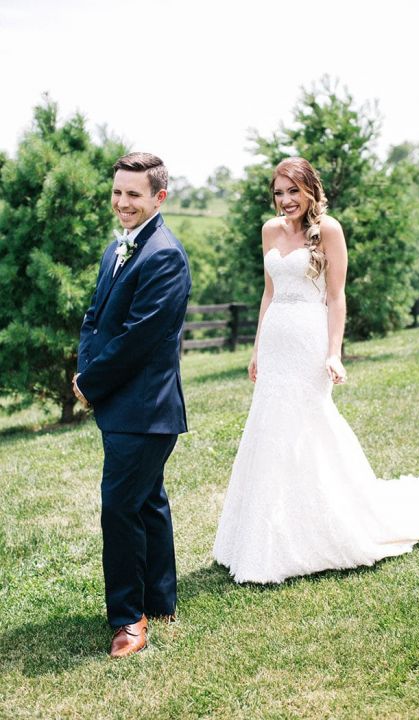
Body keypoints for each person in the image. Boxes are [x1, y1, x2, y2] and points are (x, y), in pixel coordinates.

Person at [213, 156, 419, 584]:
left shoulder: (329, 230)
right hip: (277, 340)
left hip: (309, 340)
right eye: (278, 193)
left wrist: (334, 353)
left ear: (309, 189)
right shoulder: (269, 230)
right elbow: (269, 293)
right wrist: (257, 348)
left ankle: (331, 522)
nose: (285, 201)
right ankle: (263, 533)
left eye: (292, 191)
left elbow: (336, 298)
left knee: (310, 423)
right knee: (269, 428)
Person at [73, 152, 191, 657]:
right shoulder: (116, 248)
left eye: (134, 194)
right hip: (123, 404)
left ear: (159, 197)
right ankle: (160, 599)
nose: (122, 202)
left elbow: (137, 340)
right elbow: (96, 318)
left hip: (146, 409)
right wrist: (83, 369)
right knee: (147, 502)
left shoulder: (164, 255)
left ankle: (129, 619)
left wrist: (92, 382)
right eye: (118, 192)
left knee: (119, 508)